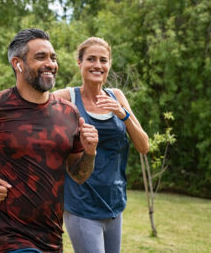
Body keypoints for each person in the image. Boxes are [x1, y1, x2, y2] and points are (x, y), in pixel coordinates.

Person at [0, 28, 99, 253]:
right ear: (18, 63)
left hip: (52, 238)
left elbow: (79, 174)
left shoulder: (69, 113)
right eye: (40, 57)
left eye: (53, 58)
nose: (50, 63)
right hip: (8, 236)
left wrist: (90, 152)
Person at [55, 37, 150, 253]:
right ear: (79, 63)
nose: (97, 65)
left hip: (114, 203)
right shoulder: (65, 98)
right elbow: (32, 110)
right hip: (82, 205)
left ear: (109, 65)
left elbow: (144, 146)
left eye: (103, 60)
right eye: (91, 59)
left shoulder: (116, 96)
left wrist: (122, 114)